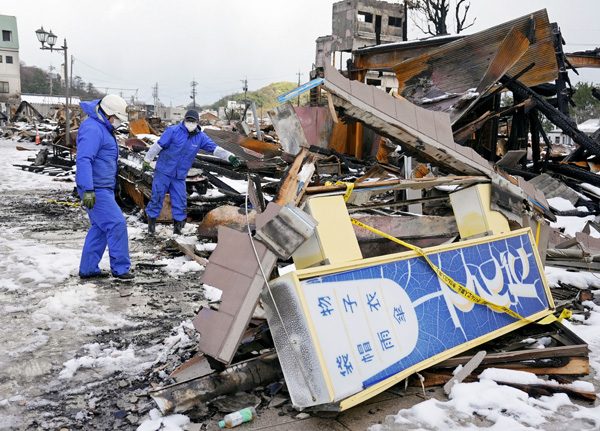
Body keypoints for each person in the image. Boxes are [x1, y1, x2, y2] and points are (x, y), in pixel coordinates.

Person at [142, 109, 241, 235]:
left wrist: (230, 157)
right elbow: (157, 146)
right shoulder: (172, 131)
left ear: (197, 122)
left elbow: (215, 149)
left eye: (192, 121)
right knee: (157, 198)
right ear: (184, 120)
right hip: (163, 172)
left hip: (179, 176)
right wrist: (147, 160)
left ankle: (177, 232)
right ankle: (151, 229)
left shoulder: (200, 137)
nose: (190, 123)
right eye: (188, 120)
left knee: (180, 202)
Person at [75, 94, 134, 280]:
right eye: (117, 119)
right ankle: (121, 269)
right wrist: (88, 190)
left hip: (101, 187)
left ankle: (88, 269)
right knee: (117, 224)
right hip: (96, 188)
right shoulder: (93, 129)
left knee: (100, 228)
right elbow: (84, 160)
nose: (118, 123)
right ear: (109, 114)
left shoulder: (101, 127)